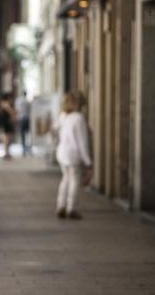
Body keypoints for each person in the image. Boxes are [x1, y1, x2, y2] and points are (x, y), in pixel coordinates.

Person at [55, 92, 92, 220]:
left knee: (65, 179)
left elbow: (56, 129)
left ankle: (60, 205)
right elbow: (82, 142)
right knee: (74, 181)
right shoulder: (78, 118)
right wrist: (88, 162)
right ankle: (71, 208)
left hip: (62, 153)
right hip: (73, 154)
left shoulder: (63, 116)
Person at [0, 93, 16, 159]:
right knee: (6, 139)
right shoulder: (5, 103)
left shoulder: (5, 104)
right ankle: (6, 153)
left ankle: (7, 152)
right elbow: (12, 112)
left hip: (7, 123)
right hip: (5, 123)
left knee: (9, 139)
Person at [15, 91, 31, 155]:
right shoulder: (27, 102)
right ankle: (27, 148)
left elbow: (17, 110)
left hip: (21, 119)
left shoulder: (18, 101)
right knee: (27, 134)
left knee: (22, 134)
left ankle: (24, 149)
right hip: (27, 119)